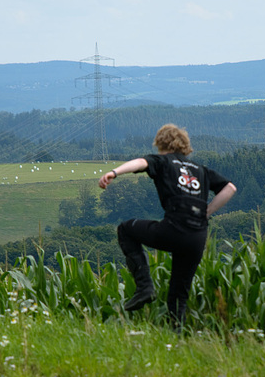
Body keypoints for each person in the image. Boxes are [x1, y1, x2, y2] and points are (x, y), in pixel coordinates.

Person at [98, 124, 237, 330]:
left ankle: (145, 288)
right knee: (179, 293)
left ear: (160, 143)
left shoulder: (162, 161)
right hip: (197, 237)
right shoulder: (200, 169)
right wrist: (206, 213)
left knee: (126, 230)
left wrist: (114, 172)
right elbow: (230, 188)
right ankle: (176, 336)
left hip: (174, 229)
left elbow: (140, 162)